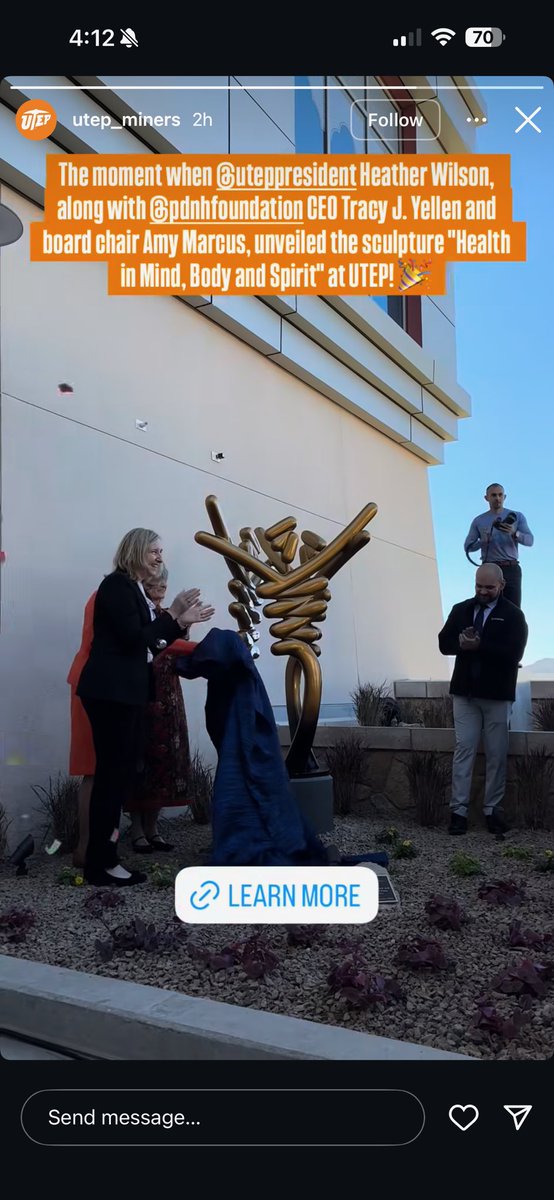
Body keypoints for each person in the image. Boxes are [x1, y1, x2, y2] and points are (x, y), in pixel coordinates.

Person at [77, 528, 212, 886]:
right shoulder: (117, 587)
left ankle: (104, 859)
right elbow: (135, 641)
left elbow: (151, 641)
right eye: (154, 551)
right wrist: (176, 616)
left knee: (118, 778)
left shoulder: (132, 589)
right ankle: (102, 863)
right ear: (135, 551)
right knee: (112, 778)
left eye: (161, 552)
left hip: (124, 694)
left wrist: (178, 620)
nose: (159, 557)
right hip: (112, 694)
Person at [126, 565, 213, 852]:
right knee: (141, 761)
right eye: (153, 586)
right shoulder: (143, 615)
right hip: (143, 693)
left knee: (165, 762)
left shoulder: (168, 615)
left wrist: (187, 624)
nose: (158, 591)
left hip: (168, 693)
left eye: (162, 587)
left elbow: (178, 647)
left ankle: (153, 827)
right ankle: (136, 829)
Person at [438, 563, 528, 836]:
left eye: (489, 587)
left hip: (497, 695)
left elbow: (514, 653)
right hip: (464, 693)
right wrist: (460, 643)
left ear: (501, 585)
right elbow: (443, 643)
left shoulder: (513, 615)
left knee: (496, 753)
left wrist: (480, 646)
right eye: (479, 586)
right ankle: (458, 812)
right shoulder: (461, 609)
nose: (483, 591)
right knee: (463, 750)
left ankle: (492, 811)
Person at [464, 483, 534, 608]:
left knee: (513, 609)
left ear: (504, 497)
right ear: (486, 498)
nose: (497, 498)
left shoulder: (517, 516)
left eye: (500, 495)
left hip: (510, 568)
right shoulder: (479, 520)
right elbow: (468, 547)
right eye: (494, 495)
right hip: (489, 567)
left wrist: (514, 533)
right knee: (486, 606)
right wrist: (483, 541)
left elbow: (530, 541)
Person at [67, 590, 97, 867]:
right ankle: (87, 847)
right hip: (95, 686)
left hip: (92, 682)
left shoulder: (103, 593)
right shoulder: (112, 594)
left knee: (95, 770)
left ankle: (90, 846)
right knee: (94, 768)